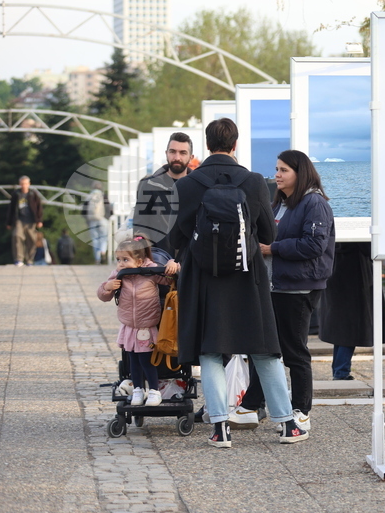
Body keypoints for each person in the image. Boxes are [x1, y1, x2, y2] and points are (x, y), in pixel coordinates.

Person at [168, 118, 308, 448]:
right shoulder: (254, 181)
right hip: (248, 278)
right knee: (264, 350)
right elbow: (269, 234)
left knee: (211, 351)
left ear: (206, 145)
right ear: (235, 145)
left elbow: (177, 236)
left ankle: (219, 428)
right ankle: (288, 425)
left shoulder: (187, 185)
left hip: (203, 278)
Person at [231, 150, 335, 431]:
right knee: (262, 348)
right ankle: (252, 405)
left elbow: (314, 245)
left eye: (283, 170)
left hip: (298, 289)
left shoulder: (314, 204)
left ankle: (301, 410)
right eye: (276, 169)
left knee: (294, 352)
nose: (277, 174)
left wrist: (273, 248)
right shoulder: (280, 204)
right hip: (274, 287)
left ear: (300, 173)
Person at [96, 236, 178, 408]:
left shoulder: (150, 271)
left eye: (125, 259)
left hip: (146, 326)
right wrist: (107, 287)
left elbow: (169, 280)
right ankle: (138, 389)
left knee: (146, 360)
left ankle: (154, 390)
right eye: (118, 259)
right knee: (132, 359)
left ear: (140, 260)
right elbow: (104, 295)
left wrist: (173, 265)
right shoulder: (120, 275)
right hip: (128, 326)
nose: (121, 263)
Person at [318, 243, 385, 381]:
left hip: (335, 276)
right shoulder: (359, 236)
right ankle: (341, 371)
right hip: (357, 277)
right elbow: (371, 250)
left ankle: (339, 369)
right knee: (351, 329)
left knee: (342, 329)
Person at [133, 132, 194, 256]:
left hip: (189, 260)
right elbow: (140, 225)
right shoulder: (149, 184)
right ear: (166, 153)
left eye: (183, 153)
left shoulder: (197, 186)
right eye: (172, 152)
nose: (177, 157)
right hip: (158, 259)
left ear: (191, 157)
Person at [5, 175, 43, 266]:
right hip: (19, 220)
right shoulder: (16, 194)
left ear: (29, 184)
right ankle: (19, 258)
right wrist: (9, 222)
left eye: (25, 184)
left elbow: (39, 208)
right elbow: (11, 208)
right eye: (22, 184)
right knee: (17, 236)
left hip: (31, 220)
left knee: (31, 239)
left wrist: (39, 220)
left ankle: (29, 259)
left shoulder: (33, 194)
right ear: (20, 184)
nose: (24, 186)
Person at [85, 182, 109, 265]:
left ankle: (97, 258)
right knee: (104, 238)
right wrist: (107, 218)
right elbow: (108, 208)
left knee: (95, 240)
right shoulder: (103, 196)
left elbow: (84, 211)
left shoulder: (89, 196)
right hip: (102, 219)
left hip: (92, 221)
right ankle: (103, 251)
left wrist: (87, 220)